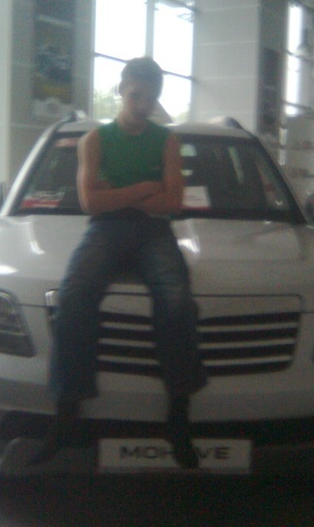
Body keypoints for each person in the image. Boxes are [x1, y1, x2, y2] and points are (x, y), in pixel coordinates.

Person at [33, 57, 207, 469]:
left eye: (150, 98)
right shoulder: (94, 140)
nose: (142, 105)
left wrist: (118, 193)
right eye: (135, 96)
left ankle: (178, 413)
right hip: (106, 229)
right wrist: (148, 187)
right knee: (73, 296)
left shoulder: (166, 140)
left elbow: (174, 202)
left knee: (176, 301)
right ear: (121, 90)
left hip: (154, 232)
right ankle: (67, 411)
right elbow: (91, 203)